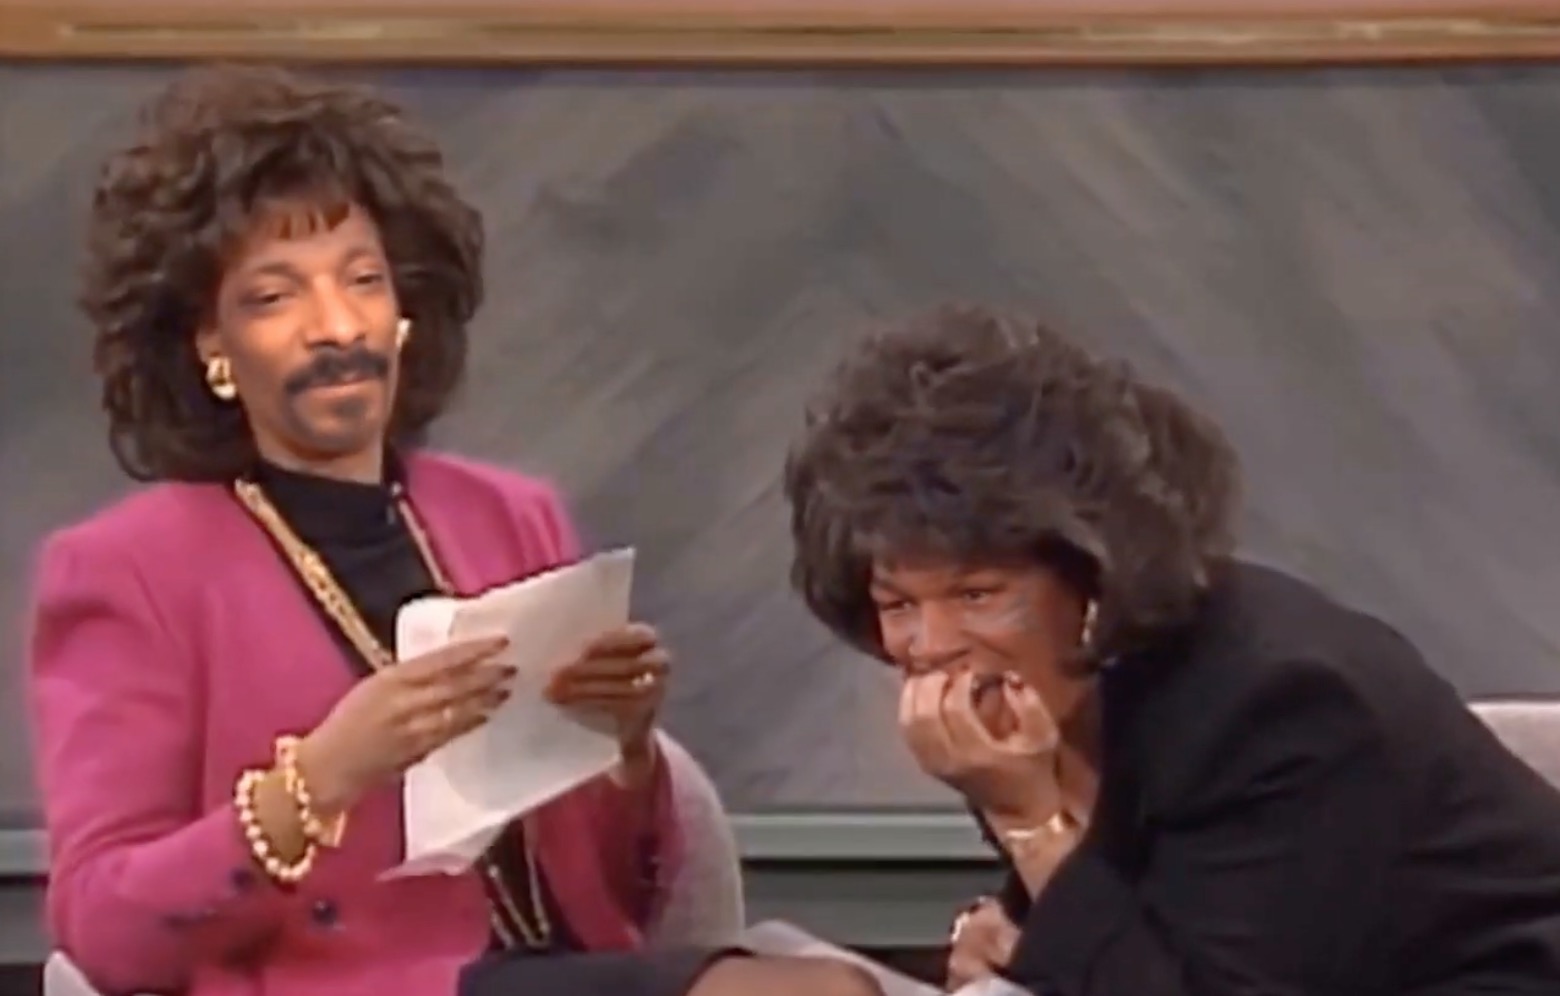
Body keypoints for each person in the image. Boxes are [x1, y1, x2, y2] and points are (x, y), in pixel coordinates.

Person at [29, 64, 880, 996]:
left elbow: (621, 895)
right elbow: (105, 928)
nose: (335, 326)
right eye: (275, 297)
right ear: (210, 348)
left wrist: (625, 749)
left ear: (404, 313)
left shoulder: (511, 517)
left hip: (562, 966)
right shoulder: (127, 572)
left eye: (363, 281)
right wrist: (319, 778)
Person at [781, 303, 1560, 995]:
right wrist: (1017, 930)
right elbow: (1146, 917)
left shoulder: (1281, 706)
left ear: (1091, 574)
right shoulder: (1042, 692)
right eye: (898, 605)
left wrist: (1029, 823)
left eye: (976, 595)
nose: (932, 646)